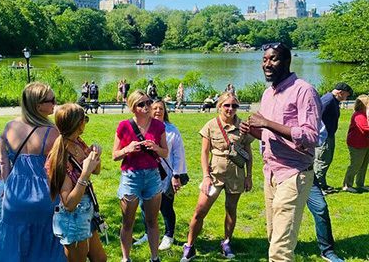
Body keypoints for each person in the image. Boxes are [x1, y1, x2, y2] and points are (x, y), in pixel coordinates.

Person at [240, 42, 321, 261]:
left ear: (286, 61)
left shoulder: (304, 90)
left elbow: (311, 137)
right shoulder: (268, 94)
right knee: (273, 236)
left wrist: (266, 122)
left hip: (294, 174)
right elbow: (269, 136)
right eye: (264, 59)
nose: (267, 64)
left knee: (280, 250)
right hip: (271, 174)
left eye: (273, 59)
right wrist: (255, 130)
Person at [0, 82, 65, 262]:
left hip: (14, 198)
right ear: (37, 105)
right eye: (51, 100)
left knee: (14, 249)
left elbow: (3, 163)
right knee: (46, 251)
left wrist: (8, 186)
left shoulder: (9, 128)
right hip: (45, 197)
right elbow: (60, 169)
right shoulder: (53, 132)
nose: (55, 103)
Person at [181, 92, 254, 261]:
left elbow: (248, 154)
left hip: (236, 173)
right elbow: (204, 153)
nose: (230, 109)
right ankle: (190, 245)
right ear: (219, 106)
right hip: (215, 174)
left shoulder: (243, 126)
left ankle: (226, 242)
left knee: (231, 209)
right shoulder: (211, 125)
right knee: (200, 210)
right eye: (226, 105)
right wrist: (206, 176)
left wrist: (249, 176)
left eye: (234, 106)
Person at [112, 90, 168, 262]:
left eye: (148, 102)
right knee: (127, 222)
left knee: (152, 220)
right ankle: (125, 258)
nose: (147, 106)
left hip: (152, 176)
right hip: (131, 177)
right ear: (133, 108)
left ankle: (154, 257)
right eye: (141, 104)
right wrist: (127, 149)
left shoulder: (159, 126)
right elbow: (114, 155)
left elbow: (165, 153)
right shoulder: (124, 126)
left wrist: (155, 148)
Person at [47, 103, 107, 262]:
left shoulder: (78, 142)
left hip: (87, 210)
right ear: (77, 124)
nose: (86, 122)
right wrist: (85, 173)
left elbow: (96, 170)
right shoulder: (60, 157)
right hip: (73, 218)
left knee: (100, 258)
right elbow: (69, 203)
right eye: (85, 119)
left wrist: (95, 157)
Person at [134, 99, 188, 250]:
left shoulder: (172, 130)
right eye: (155, 108)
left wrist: (176, 175)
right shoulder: (144, 129)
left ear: (165, 112)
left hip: (166, 176)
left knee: (165, 206)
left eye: (161, 109)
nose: (157, 111)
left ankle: (168, 235)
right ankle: (147, 233)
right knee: (144, 205)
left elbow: (178, 155)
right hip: (146, 175)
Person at [314, 82, 353, 194]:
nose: (347, 98)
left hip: (329, 135)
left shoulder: (333, 100)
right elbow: (316, 116)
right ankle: (318, 188)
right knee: (322, 161)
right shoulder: (328, 100)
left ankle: (322, 184)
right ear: (340, 93)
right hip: (324, 136)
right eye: (346, 95)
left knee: (326, 160)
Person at [306, 178, 345, 262]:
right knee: (284, 213)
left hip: (307, 175)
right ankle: (279, 249)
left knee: (321, 208)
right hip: (282, 175)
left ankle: (327, 251)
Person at [342, 95, 369, 193]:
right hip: (356, 144)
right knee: (355, 165)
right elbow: (365, 128)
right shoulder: (359, 115)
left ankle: (360, 184)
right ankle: (347, 184)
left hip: (365, 143)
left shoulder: (365, 114)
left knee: (363, 165)